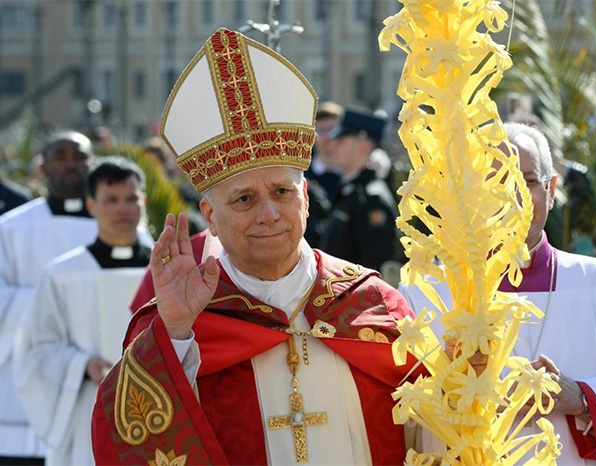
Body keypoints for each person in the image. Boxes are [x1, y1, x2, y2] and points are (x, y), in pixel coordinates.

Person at [92, 28, 421, 465]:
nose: (268, 214)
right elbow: (126, 436)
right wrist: (173, 337)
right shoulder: (181, 322)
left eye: (282, 193)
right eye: (244, 199)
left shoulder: (372, 303)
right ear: (209, 217)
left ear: (305, 199)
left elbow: (428, 429)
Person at [400, 123, 596, 465]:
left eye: (527, 180)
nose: (512, 196)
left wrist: (583, 398)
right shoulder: (425, 295)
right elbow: (391, 411)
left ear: (551, 190)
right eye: (494, 182)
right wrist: (450, 384)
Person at [13, 157, 151, 466]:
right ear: (91, 204)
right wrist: (81, 364)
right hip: (90, 407)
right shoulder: (63, 274)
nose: (123, 209)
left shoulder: (165, 269)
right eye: (111, 199)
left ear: (142, 202)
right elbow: (36, 346)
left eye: (131, 199)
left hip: (159, 408)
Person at [0, 131, 98, 465]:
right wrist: (54, 307)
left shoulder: (118, 227)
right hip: (21, 378)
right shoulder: (11, 227)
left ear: (91, 164)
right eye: (61, 156)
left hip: (93, 378)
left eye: (79, 156)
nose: (71, 164)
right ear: (42, 167)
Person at [319, 109, 401, 271]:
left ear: (363, 147)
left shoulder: (371, 198)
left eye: (341, 140)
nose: (332, 144)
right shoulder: (350, 190)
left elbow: (374, 266)